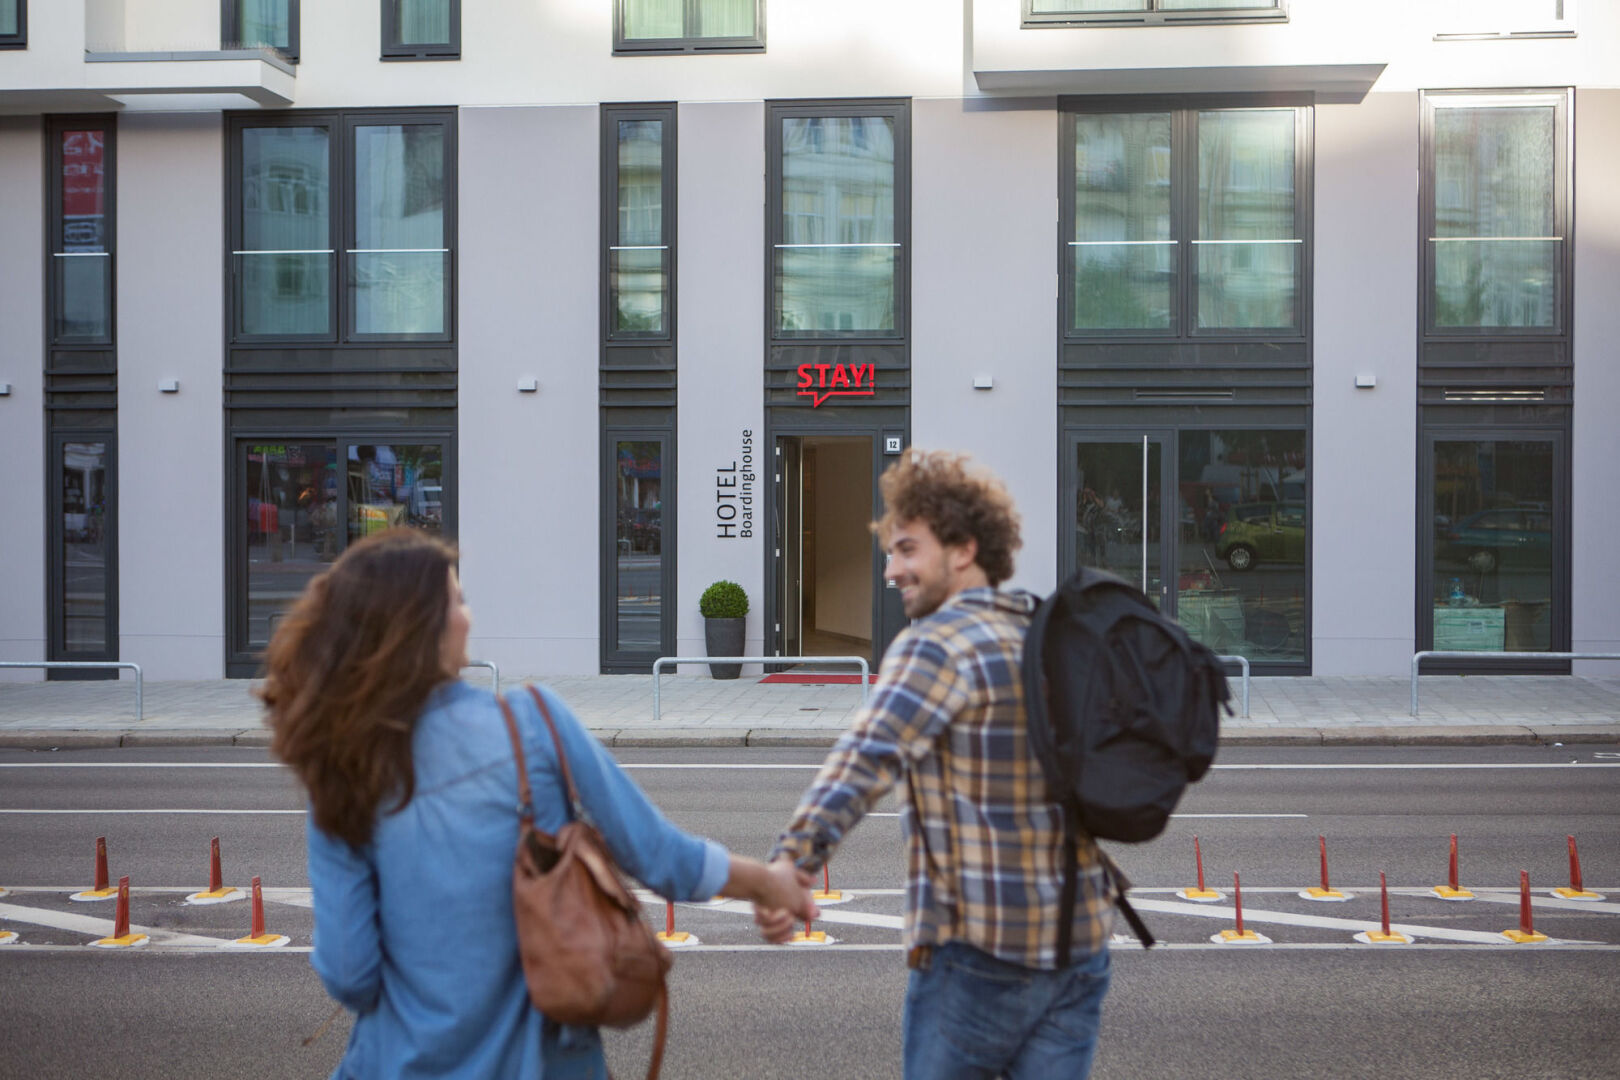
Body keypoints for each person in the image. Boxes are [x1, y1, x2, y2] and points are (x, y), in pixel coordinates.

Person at [260, 528, 815, 1079]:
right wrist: (771, 884)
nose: (468, 616)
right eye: (458, 600)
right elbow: (661, 858)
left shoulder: (340, 767)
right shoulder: (533, 723)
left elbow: (350, 974)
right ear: (421, 624)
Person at [755, 450, 1119, 1079]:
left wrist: (791, 864)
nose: (891, 568)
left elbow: (864, 760)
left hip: (980, 951)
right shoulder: (1044, 631)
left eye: (906, 548)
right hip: (1080, 944)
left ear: (963, 549)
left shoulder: (937, 645)